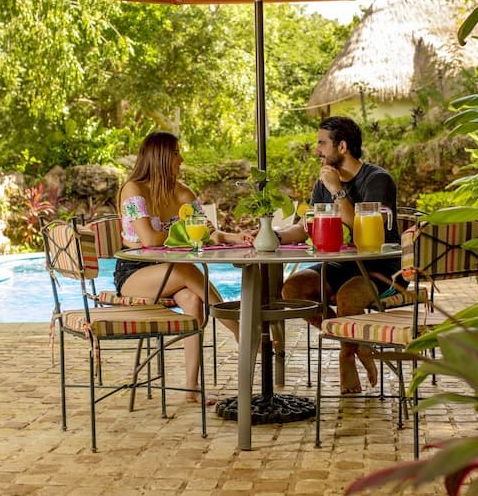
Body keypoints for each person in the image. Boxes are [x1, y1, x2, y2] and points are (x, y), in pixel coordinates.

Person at [115, 131, 249, 402]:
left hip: (172, 272)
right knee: (185, 270)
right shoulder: (133, 190)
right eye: (176, 153)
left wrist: (236, 237)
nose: (181, 159)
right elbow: (149, 240)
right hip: (135, 272)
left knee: (192, 299)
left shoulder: (183, 193)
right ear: (161, 157)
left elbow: (207, 232)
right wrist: (187, 232)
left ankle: (191, 388)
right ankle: (237, 327)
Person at [277, 116, 400, 394]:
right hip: (341, 265)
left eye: (322, 143)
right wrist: (273, 235)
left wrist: (337, 190)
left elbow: (361, 231)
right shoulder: (323, 182)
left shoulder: (377, 179)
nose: (317, 150)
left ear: (342, 146)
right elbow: (306, 227)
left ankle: (347, 355)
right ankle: (359, 344)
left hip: (381, 267)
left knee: (347, 298)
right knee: (292, 289)